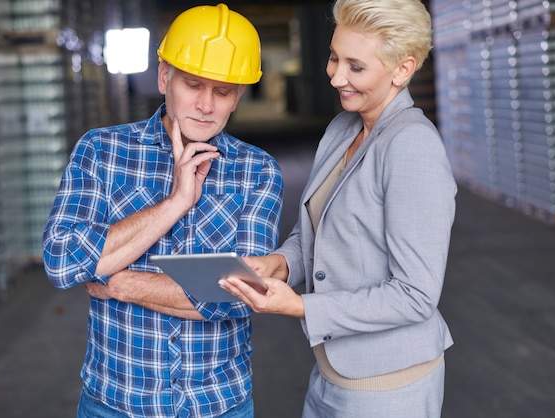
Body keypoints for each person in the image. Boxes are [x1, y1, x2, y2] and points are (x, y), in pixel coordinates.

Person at [42, 4, 283, 417]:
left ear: (238, 96)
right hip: (114, 403)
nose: (206, 105)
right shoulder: (101, 151)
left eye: (222, 91)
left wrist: (120, 283)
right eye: (193, 85)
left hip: (219, 405)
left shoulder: (257, 171)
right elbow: (64, 262)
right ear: (164, 78)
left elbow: (242, 296)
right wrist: (176, 203)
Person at [218, 0, 457, 417]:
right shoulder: (343, 128)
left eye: (355, 66)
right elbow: (317, 229)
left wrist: (300, 305)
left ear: (402, 69)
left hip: (389, 387)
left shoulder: (411, 146)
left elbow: (416, 295)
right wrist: (279, 264)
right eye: (333, 57)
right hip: (332, 374)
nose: (335, 76)